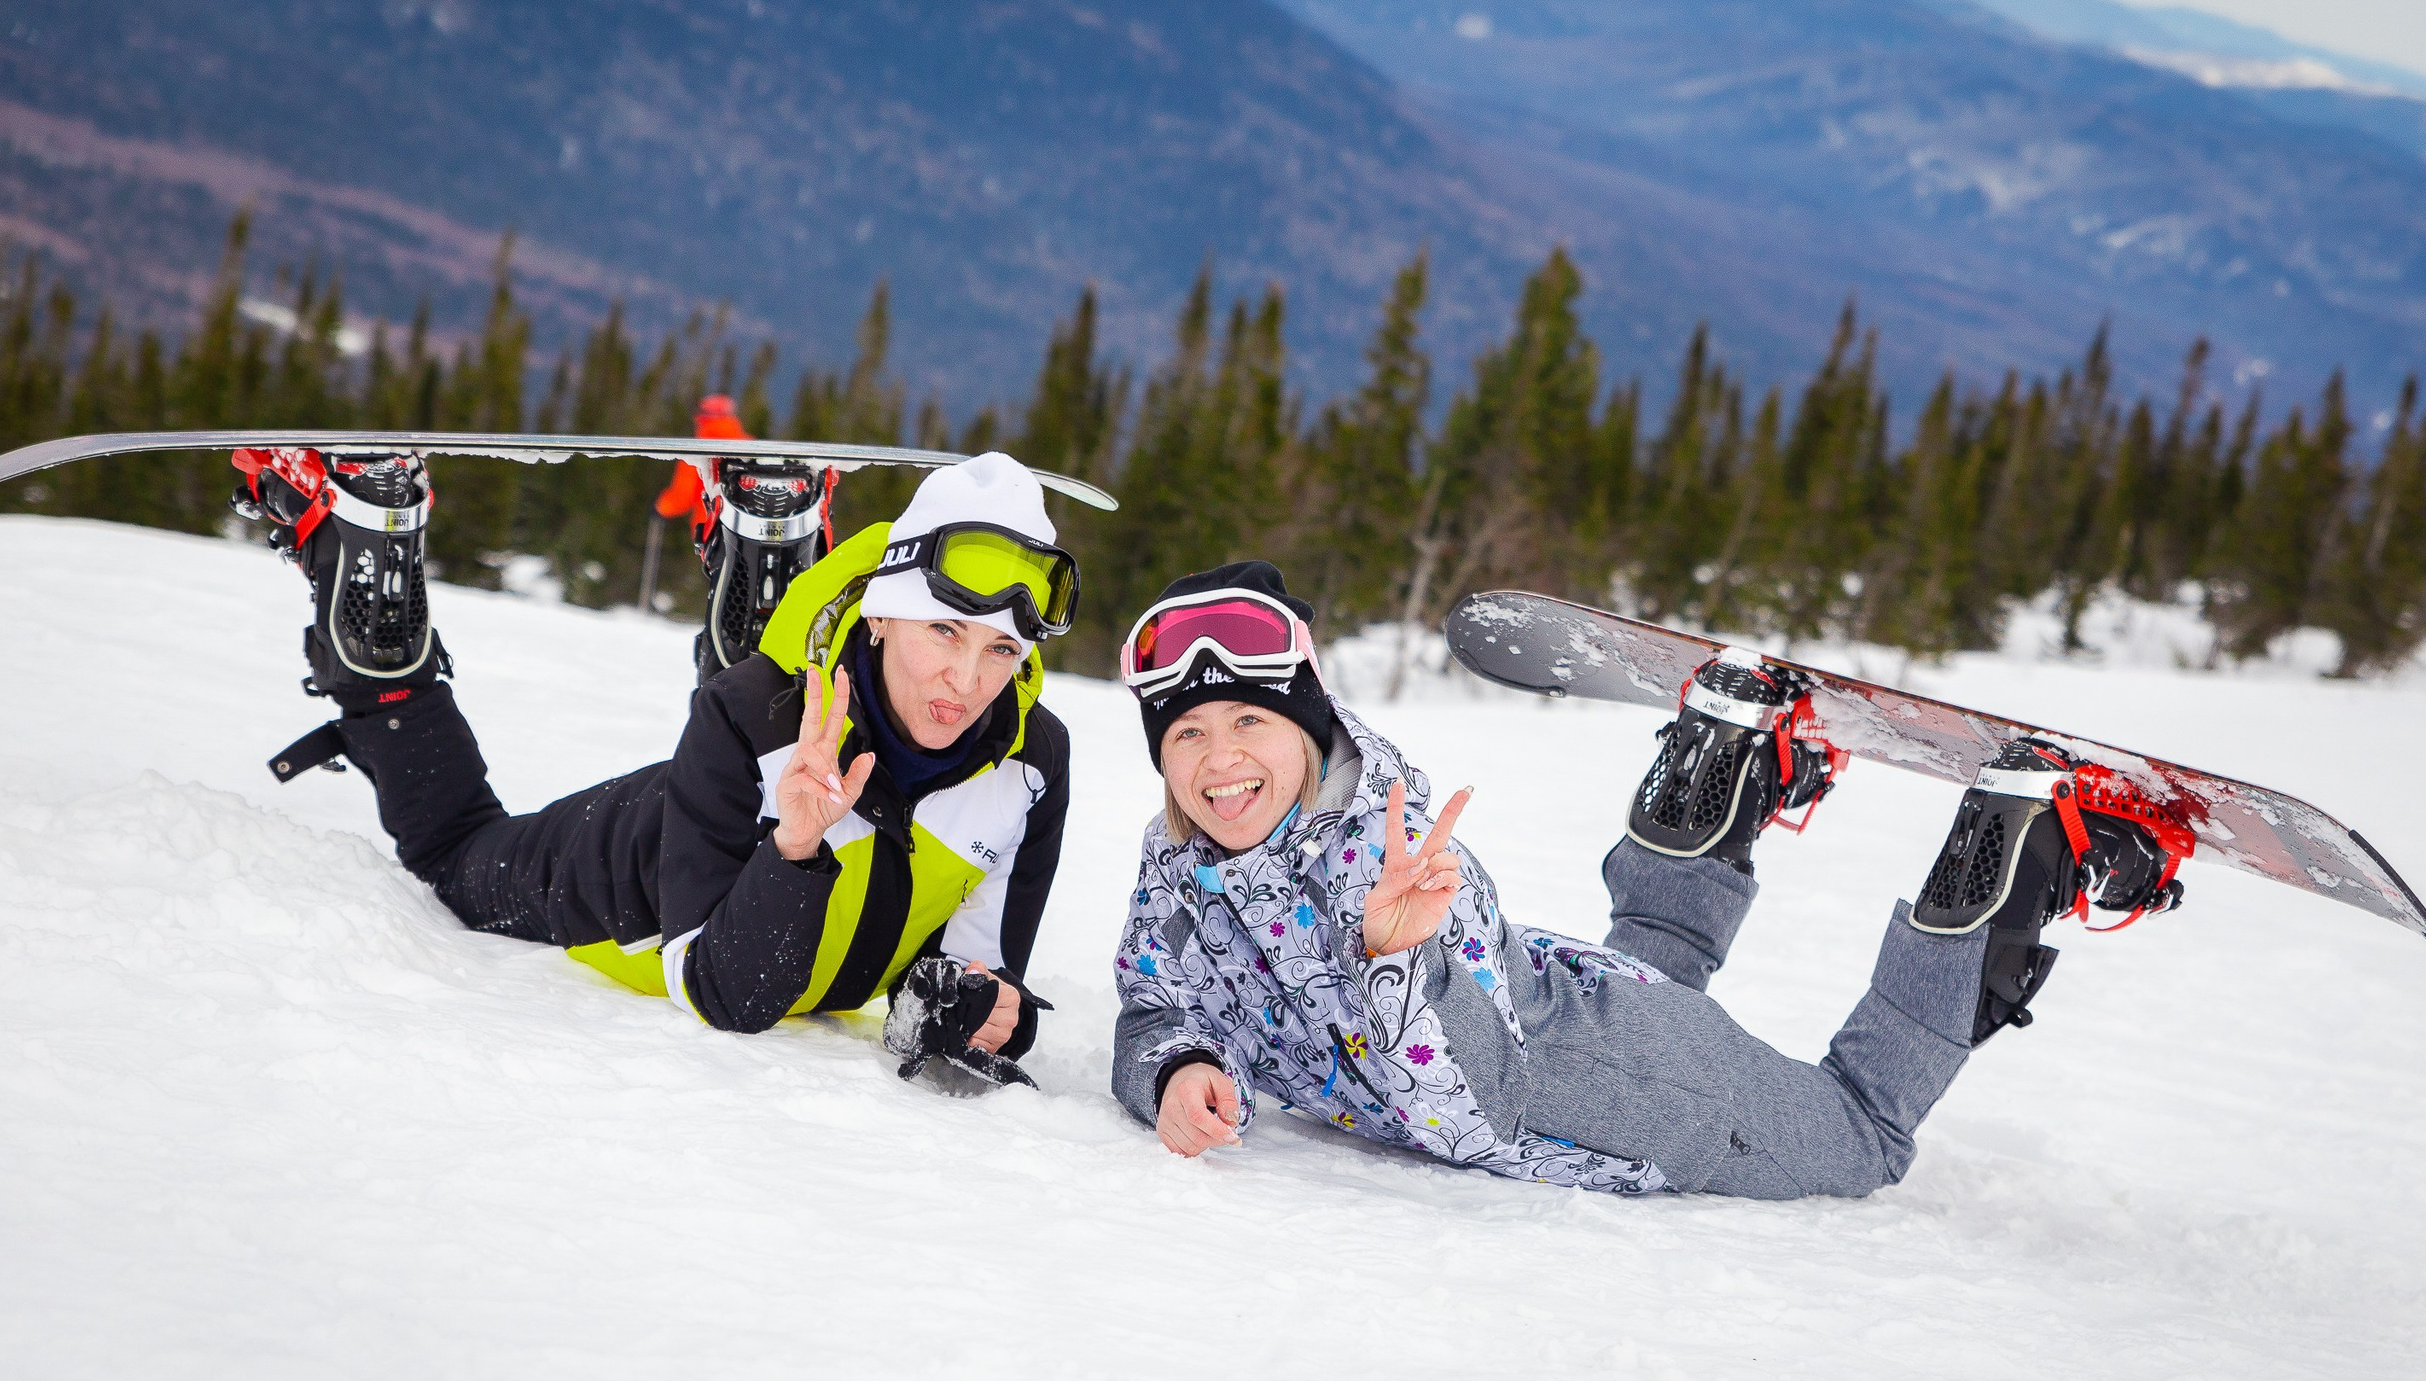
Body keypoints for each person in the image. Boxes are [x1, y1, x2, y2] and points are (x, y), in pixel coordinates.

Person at [1106, 562, 2186, 1195]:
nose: (1219, 760)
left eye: (1249, 721)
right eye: (1188, 732)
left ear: (1310, 726)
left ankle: (2020, 852)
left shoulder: (1396, 862)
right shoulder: (1184, 862)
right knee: (1645, 984)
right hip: (1585, 1001)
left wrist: (1396, 960)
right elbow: (1156, 997)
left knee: (1862, 1136)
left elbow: (1476, 1106)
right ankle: (1720, 764)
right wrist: (1175, 1067)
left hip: (1621, 1096)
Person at [231, 444, 1077, 1064]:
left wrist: (990, 1011)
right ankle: (375, 622)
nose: (966, 681)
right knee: (455, 855)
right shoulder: (747, 717)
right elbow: (726, 992)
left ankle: (764, 543)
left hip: (743, 790)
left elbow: (970, 972)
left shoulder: (1031, 764)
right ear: (882, 613)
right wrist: (795, 846)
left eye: (1002, 650)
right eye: (944, 630)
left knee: (763, 714)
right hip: (618, 879)